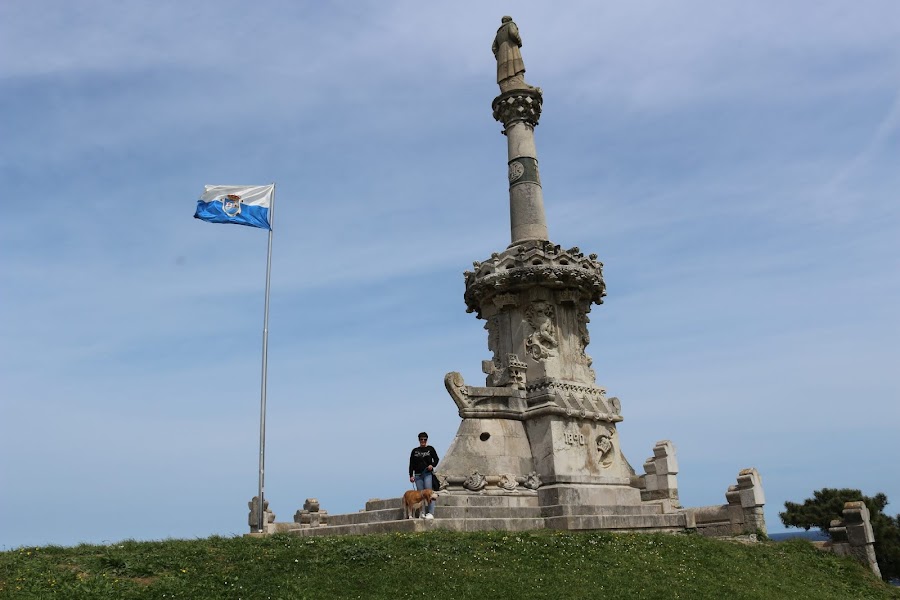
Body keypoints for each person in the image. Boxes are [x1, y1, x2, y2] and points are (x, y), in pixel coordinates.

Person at [408, 432, 439, 519]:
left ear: (427, 440)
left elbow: (436, 459)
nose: (423, 441)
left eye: (424, 439)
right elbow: (411, 464)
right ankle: (422, 513)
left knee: (429, 493)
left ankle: (431, 513)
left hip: (427, 474)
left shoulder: (430, 449)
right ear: (419, 440)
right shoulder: (414, 451)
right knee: (420, 495)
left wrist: (432, 465)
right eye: (421, 439)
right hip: (418, 475)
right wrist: (411, 475)